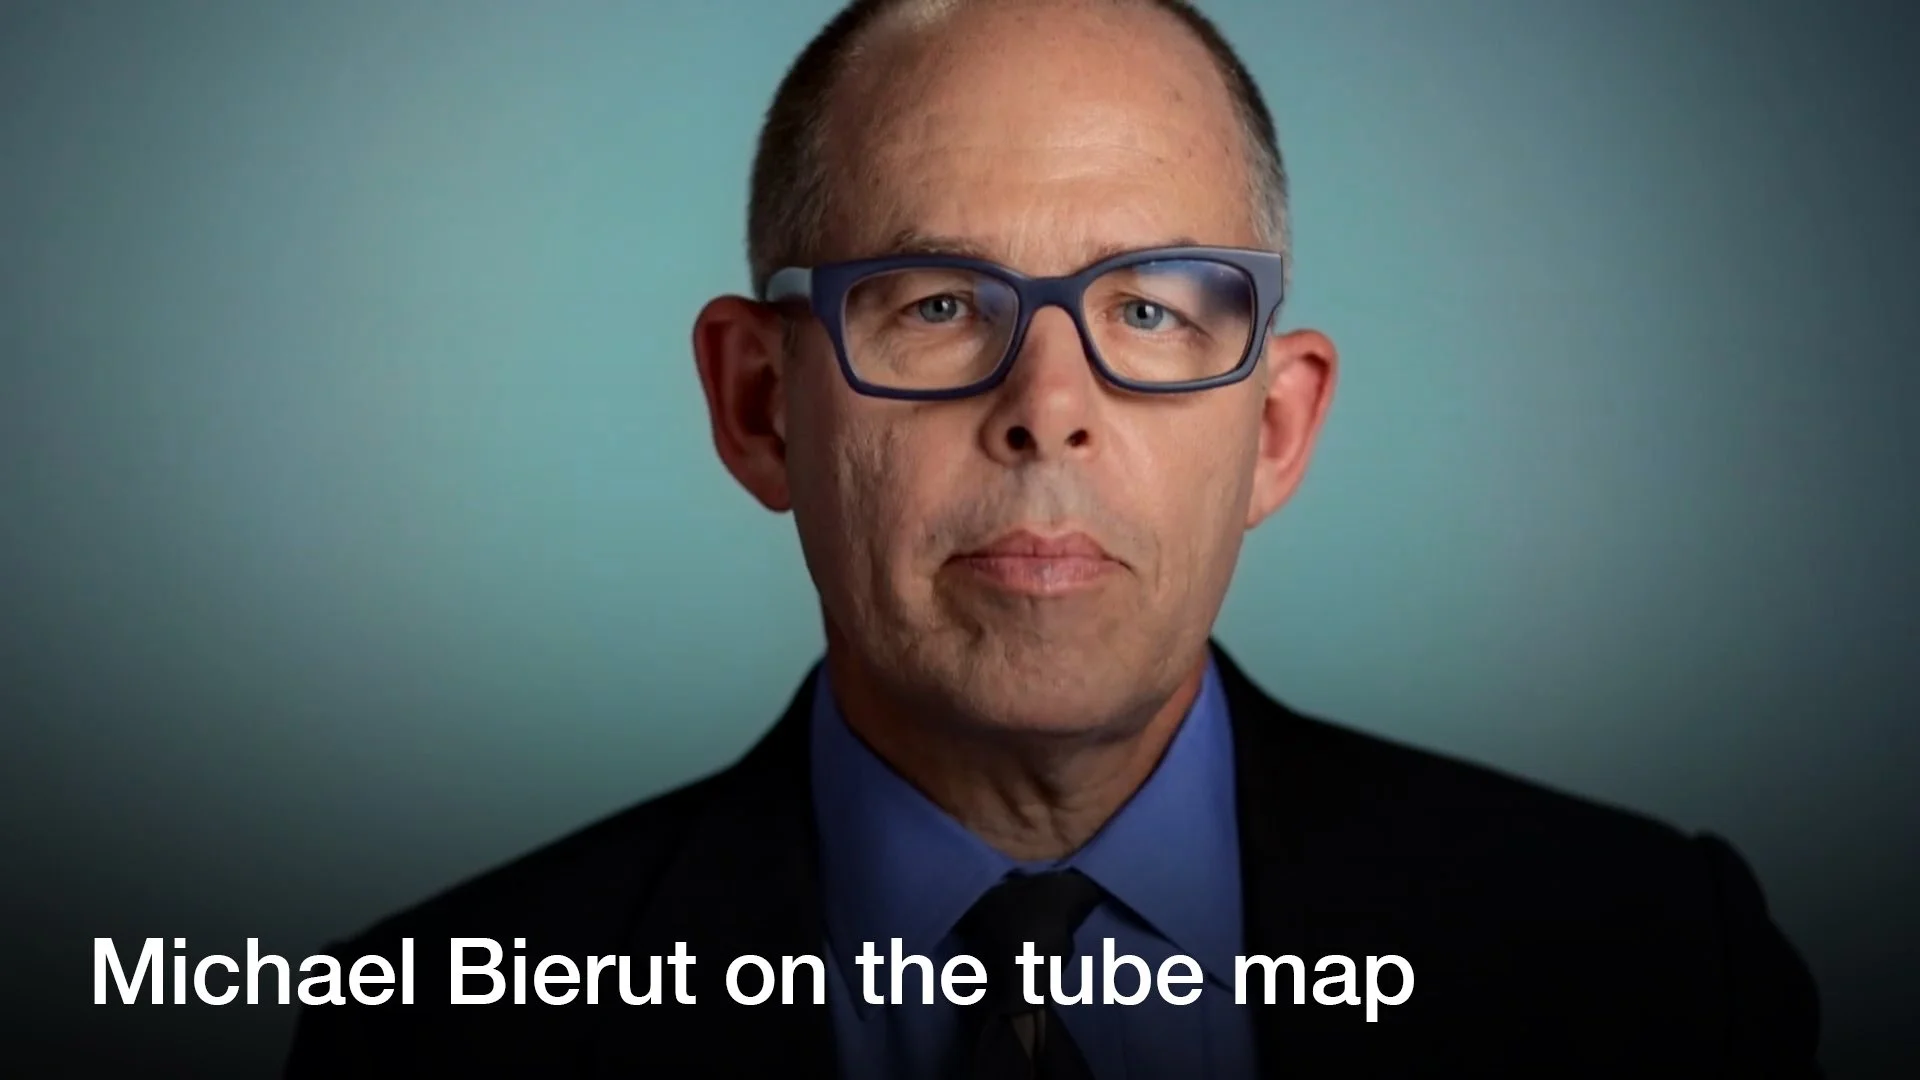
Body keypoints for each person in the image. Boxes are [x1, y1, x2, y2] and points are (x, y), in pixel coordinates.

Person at [284, 0, 1822, 1076]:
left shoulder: (1657, 969)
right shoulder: (425, 1035)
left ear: (1276, 429)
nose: (1047, 409)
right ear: (759, 407)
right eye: (938, 304)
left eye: (1150, 310)